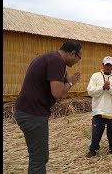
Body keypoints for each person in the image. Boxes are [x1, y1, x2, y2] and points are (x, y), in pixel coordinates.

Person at [14, 40, 82, 174]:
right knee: (39, 159)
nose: (78, 61)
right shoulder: (57, 62)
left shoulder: (51, 58)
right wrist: (70, 83)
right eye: (79, 57)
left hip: (28, 111)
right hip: (33, 113)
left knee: (38, 157)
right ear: (73, 53)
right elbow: (57, 93)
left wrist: (64, 79)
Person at [86, 56, 112, 158]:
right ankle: (93, 150)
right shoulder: (95, 76)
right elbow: (90, 91)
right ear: (102, 65)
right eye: (106, 65)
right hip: (99, 110)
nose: (108, 67)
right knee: (96, 133)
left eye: (110, 65)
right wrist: (102, 87)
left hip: (111, 111)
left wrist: (110, 88)